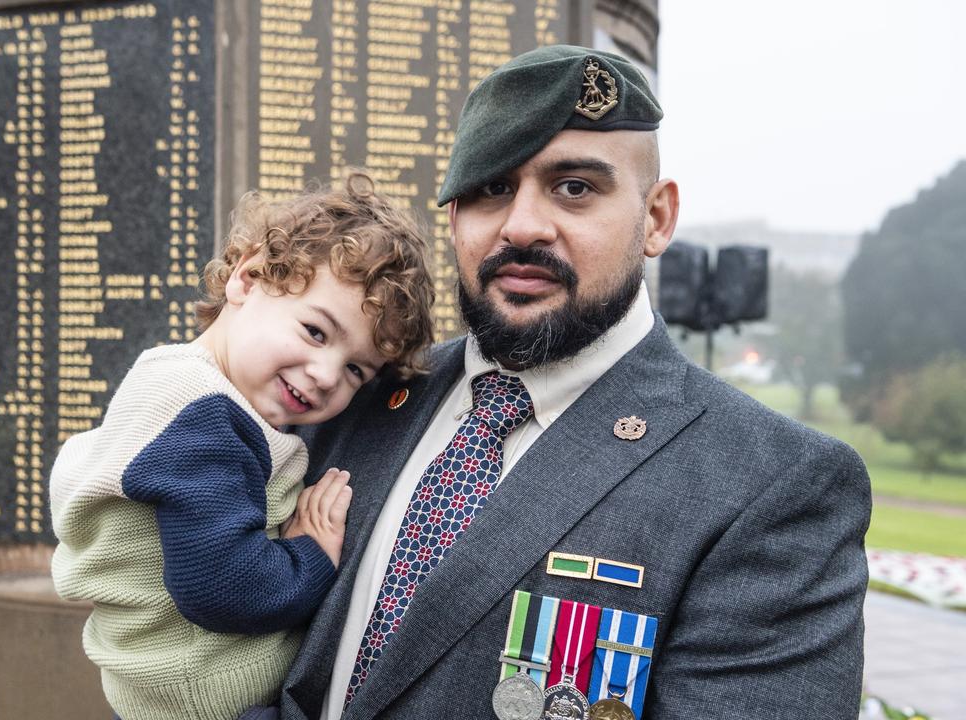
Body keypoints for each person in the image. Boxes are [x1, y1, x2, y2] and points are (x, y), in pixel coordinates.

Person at [277, 46, 871, 719]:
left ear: (656, 219)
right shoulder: (351, 396)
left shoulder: (771, 486)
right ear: (453, 218)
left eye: (575, 188)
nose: (523, 225)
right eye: (491, 188)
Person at [49, 173, 436, 720]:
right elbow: (225, 587)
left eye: (356, 369)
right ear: (248, 280)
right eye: (316, 332)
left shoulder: (194, 388)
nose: (326, 375)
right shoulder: (204, 414)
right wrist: (312, 555)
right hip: (202, 698)